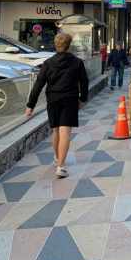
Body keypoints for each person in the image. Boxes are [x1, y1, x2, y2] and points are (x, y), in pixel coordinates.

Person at [25, 33, 88, 179]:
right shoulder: (77, 62)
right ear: (69, 45)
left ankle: (57, 157)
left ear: (56, 45)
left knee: (56, 131)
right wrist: (83, 98)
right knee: (65, 132)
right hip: (70, 100)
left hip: (52, 100)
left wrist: (30, 105)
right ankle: (61, 166)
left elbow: (39, 84)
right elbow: (84, 82)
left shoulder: (48, 63)